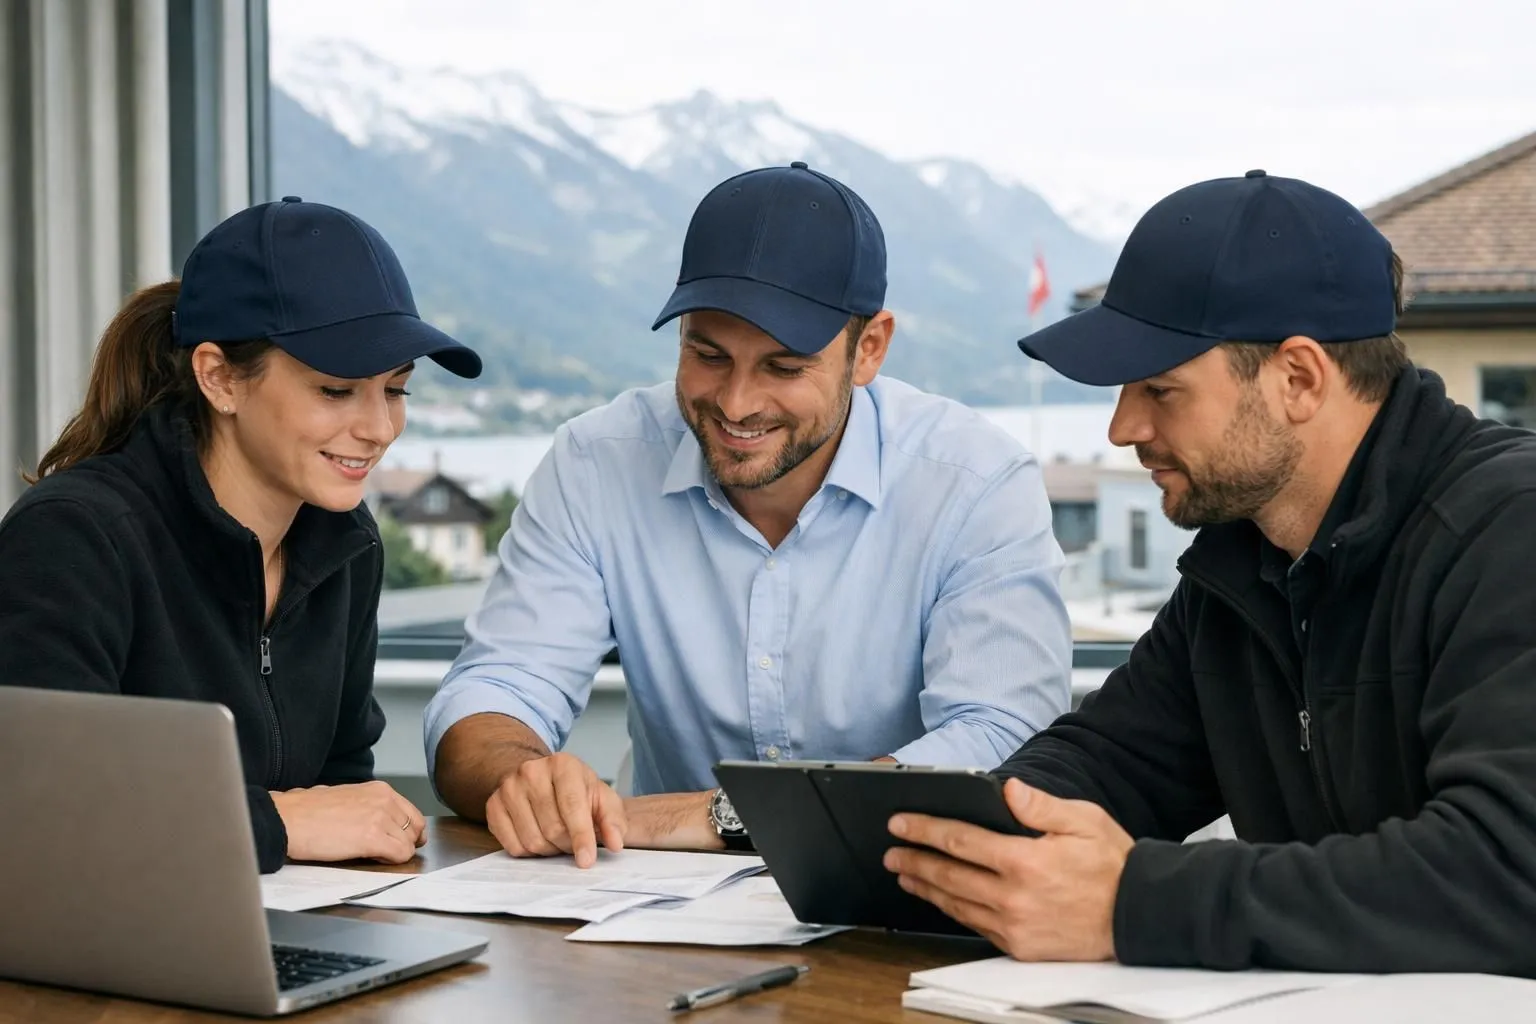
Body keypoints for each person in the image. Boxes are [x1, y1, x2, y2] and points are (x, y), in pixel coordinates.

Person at [882, 169, 1536, 977]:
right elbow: (1108, 763)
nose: (1125, 427)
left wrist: (1131, 905)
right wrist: (950, 848)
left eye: (1161, 388)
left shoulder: (1510, 530)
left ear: (1299, 378)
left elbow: (1508, 872)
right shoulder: (1241, 562)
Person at [427, 162, 1072, 866]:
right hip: (656, 915)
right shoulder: (594, 462)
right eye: (707, 354)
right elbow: (495, 688)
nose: (736, 403)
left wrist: (734, 816)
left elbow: (1003, 736)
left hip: (901, 898)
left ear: (871, 349)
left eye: (784, 368)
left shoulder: (976, 482)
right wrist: (520, 776)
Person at [0, 197, 482, 874]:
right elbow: (37, 808)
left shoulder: (348, 545)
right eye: (337, 390)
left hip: (272, 933)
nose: (379, 428)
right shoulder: (76, 538)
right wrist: (272, 821)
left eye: (395, 389)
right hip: (87, 962)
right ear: (219, 378)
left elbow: (339, 785)